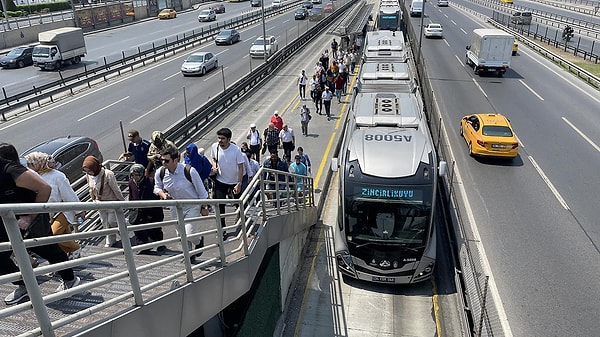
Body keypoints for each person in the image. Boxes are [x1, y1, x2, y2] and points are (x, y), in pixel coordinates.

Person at [0, 144, 80, 305]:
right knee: (1, 256)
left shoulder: (11, 170)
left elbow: (44, 188)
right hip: (9, 221)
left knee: (48, 250)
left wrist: (29, 217)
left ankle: (70, 280)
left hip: (31, 219)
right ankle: (26, 286)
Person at [154, 145, 208, 263]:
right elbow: (157, 187)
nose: (163, 163)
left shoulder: (189, 171)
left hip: (192, 205)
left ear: (175, 160)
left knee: (189, 233)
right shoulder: (161, 172)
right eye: (162, 160)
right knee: (181, 235)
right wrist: (162, 194)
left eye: (166, 160)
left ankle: (199, 241)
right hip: (175, 207)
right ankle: (189, 255)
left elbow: (202, 191)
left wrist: (204, 207)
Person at [24, 152, 83, 260]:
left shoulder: (58, 176)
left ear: (38, 163)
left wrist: (79, 211)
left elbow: (69, 194)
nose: (29, 167)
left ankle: (75, 248)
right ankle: (67, 256)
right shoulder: (34, 176)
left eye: (31, 164)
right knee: (63, 235)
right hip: (47, 213)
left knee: (54, 235)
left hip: (62, 210)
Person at [83, 155, 125, 247]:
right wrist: (93, 199)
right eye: (86, 171)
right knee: (105, 223)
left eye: (90, 170)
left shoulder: (108, 174)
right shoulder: (88, 176)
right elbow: (91, 188)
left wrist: (123, 202)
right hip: (99, 204)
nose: (88, 173)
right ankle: (110, 240)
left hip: (111, 203)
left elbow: (116, 190)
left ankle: (124, 232)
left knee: (112, 222)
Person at [210, 128, 246, 230]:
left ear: (229, 139)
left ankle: (243, 218)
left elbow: (240, 167)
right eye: (219, 138)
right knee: (220, 205)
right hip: (220, 181)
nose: (220, 140)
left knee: (239, 202)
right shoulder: (215, 147)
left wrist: (239, 183)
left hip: (234, 182)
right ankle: (222, 228)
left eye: (223, 138)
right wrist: (214, 166)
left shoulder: (236, 150)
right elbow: (213, 158)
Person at [128, 164, 165, 255]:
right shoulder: (131, 182)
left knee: (154, 229)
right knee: (138, 228)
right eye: (133, 175)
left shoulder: (151, 181)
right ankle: (142, 245)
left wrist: (152, 209)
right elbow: (131, 195)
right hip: (138, 210)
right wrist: (131, 207)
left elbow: (156, 197)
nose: (135, 177)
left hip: (152, 210)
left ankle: (160, 244)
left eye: (137, 175)